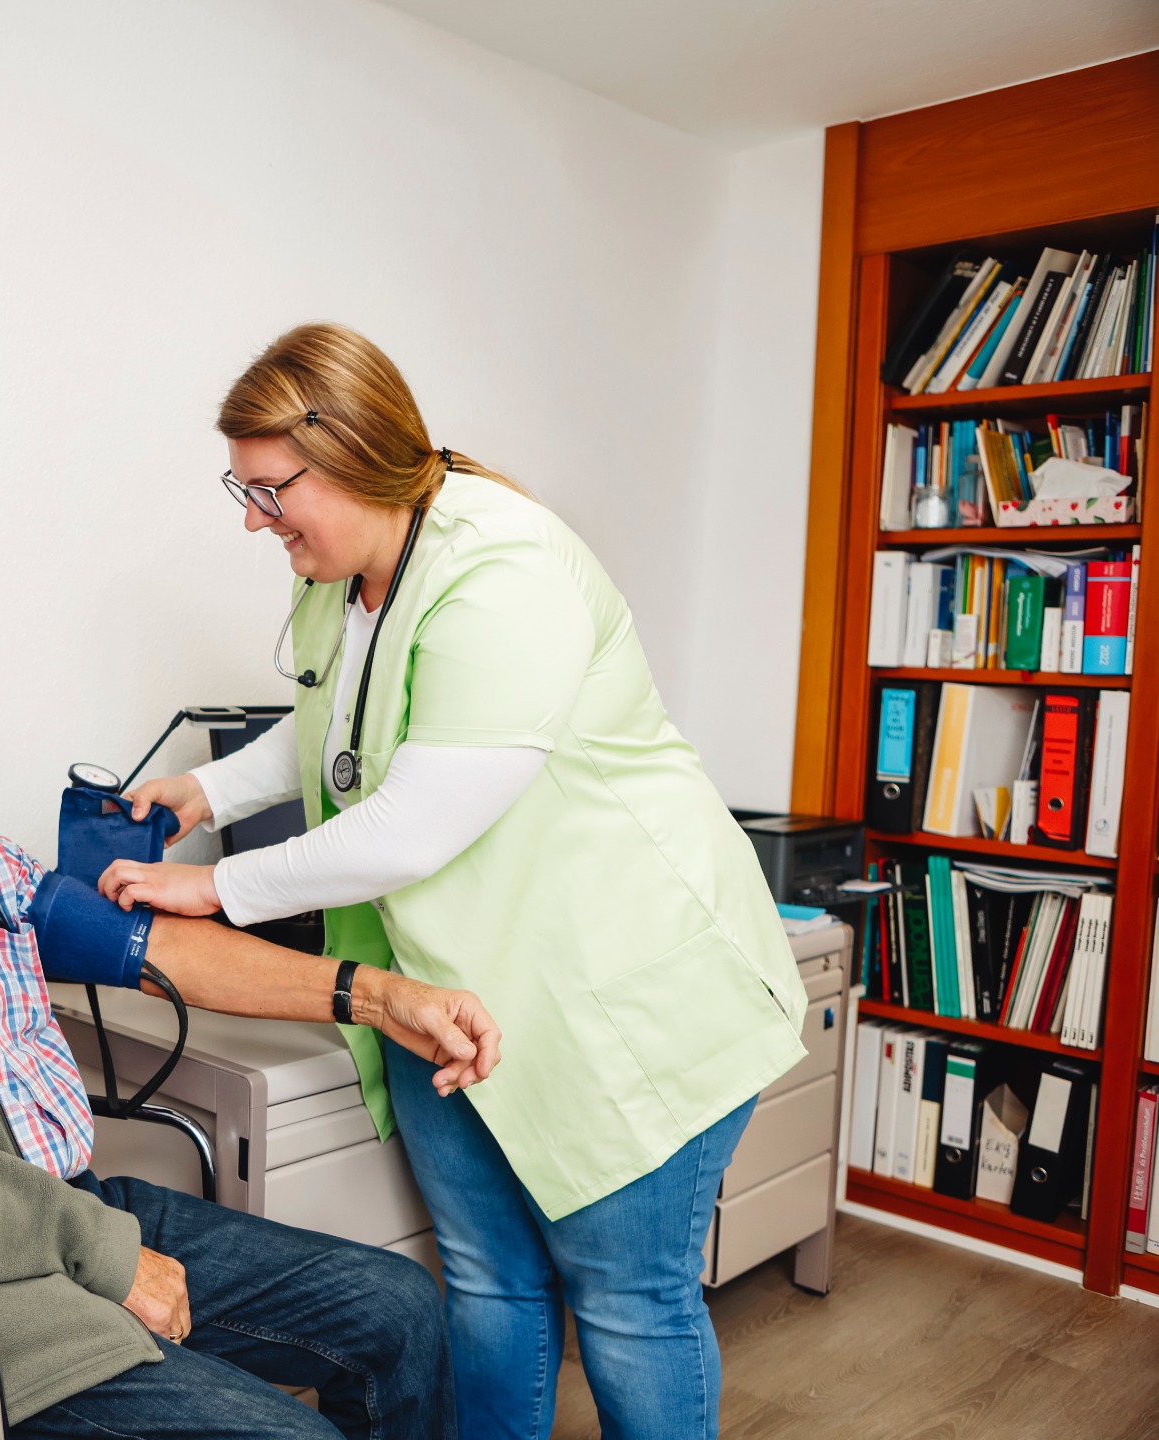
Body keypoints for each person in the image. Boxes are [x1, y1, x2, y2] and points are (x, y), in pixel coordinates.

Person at [98, 322, 808, 1440]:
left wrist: (216, 889)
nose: (253, 519)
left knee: (628, 1304)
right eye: (244, 489)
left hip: (619, 989)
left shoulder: (504, 572)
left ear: (353, 457)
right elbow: (334, 721)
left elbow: (411, 825)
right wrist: (205, 793)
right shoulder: (342, 572)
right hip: (452, 993)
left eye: (271, 491)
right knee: (487, 1281)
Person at [0, 542, 502, 1440]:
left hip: (59, 1215)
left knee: (399, 1309)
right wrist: (101, 1253)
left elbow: (159, 949)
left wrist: (378, 997)